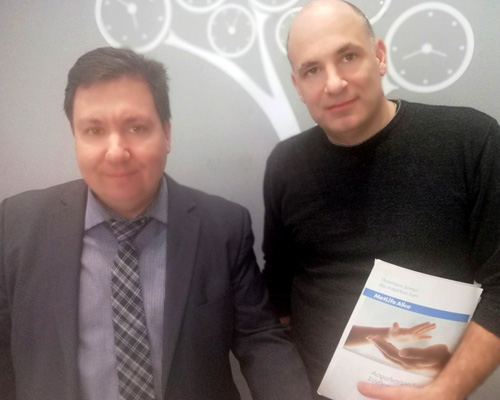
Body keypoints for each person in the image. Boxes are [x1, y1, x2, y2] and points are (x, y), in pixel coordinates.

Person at [0, 47, 313, 400]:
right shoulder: (16, 225)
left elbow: (260, 339)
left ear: (166, 134)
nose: (116, 152)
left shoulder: (223, 227)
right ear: (75, 137)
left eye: (136, 127)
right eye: (94, 130)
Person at [261, 0, 500, 399]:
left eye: (348, 56)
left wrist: (446, 390)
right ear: (298, 87)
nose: (334, 83)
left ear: (380, 56)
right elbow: (279, 285)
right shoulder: (286, 164)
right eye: (312, 70)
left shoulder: (470, 142)